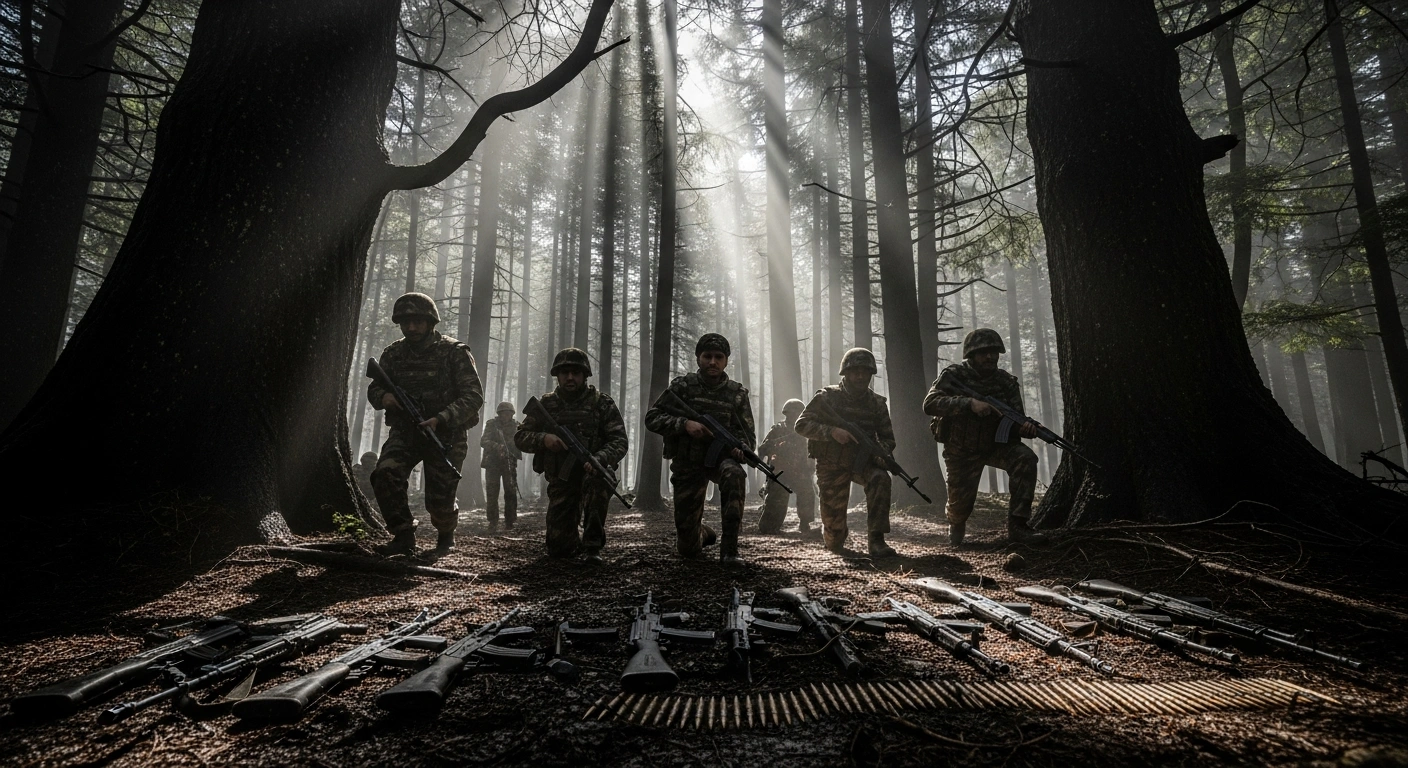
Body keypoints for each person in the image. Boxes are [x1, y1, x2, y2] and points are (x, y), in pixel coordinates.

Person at [367, 292, 484, 555]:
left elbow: (473, 396)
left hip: (445, 435)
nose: (411, 327)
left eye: (417, 321)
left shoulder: (454, 352)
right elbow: (374, 388)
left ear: (431, 321)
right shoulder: (393, 354)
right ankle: (403, 535)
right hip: (405, 433)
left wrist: (441, 418)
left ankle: (445, 535)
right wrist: (384, 397)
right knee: (385, 474)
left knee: (440, 499)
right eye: (405, 322)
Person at [923, 328, 1043, 546]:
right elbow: (930, 404)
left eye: (994, 352)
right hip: (962, 450)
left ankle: (1018, 525)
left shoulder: (1006, 382)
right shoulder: (954, 376)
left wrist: (1024, 428)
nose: (990, 357)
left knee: (1025, 458)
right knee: (959, 509)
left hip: (995, 446)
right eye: (983, 352)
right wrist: (969, 404)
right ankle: (956, 523)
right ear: (971, 354)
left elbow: (1015, 420)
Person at [644, 333, 755, 565]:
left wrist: (740, 451)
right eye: (707, 356)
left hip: (721, 461)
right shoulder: (682, 387)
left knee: (735, 474)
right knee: (687, 549)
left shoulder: (736, 394)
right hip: (688, 462)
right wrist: (684, 424)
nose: (712, 362)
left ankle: (730, 550)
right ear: (698, 358)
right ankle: (701, 533)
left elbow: (747, 438)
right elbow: (652, 418)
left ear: (726, 361)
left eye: (718, 357)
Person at [515, 348, 628, 563]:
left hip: (592, 472)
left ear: (585, 375)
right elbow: (520, 437)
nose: (570, 377)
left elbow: (620, 441)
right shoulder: (546, 405)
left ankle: (592, 545)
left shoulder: (601, 403)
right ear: (557, 375)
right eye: (564, 372)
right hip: (561, 479)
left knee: (599, 480)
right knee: (559, 549)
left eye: (575, 372)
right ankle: (570, 541)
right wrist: (544, 439)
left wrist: (601, 458)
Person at [793, 348, 899, 558]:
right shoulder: (827, 398)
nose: (860, 376)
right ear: (846, 373)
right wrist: (831, 432)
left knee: (880, 478)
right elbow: (801, 425)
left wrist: (881, 453)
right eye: (855, 371)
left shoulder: (877, 404)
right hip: (831, 464)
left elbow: (888, 439)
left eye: (865, 372)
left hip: (864, 463)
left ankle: (877, 540)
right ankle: (834, 534)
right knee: (834, 539)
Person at [756, 399, 817, 536]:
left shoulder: (806, 430)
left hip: (800, 472)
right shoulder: (778, 430)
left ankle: (805, 524)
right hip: (780, 472)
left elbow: (812, 452)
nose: (794, 415)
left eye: (797, 412)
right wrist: (775, 448)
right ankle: (770, 525)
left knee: (807, 491)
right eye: (791, 413)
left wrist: (809, 469)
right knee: (777, 496)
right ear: (786, 414)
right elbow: (762, 449)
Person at [481, 401, 522, 531]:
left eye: (508, 413)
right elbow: (484, 441)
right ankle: (493, 521)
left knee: (510, 492)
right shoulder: (491, 425)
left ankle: (510, 521)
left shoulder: (517, 426)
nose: (506, 416)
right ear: (499, 414)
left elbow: (522, 441)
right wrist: (497, 446)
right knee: (492, 493)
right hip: (492, 463)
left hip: (509, 463)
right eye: (503, 413)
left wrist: (512, 449)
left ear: (512, 414)